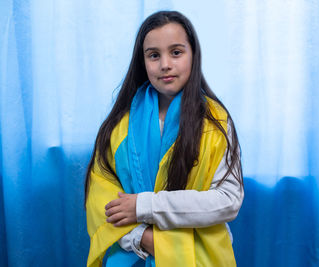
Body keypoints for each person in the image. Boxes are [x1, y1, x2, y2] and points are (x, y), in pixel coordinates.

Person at [85, 10, 244, 267]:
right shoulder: (119, 125)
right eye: (154, 55)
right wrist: (141, 238)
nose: (165, 64)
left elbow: (228, 201)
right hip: (135, 255)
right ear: (143, 61)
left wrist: (145, 205)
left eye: (176, 52)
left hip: (201, 258)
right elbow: (100, 197)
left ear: (194, 55)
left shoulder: (216, 122)